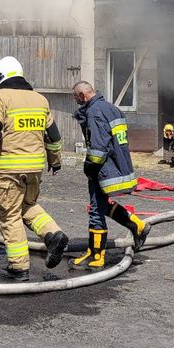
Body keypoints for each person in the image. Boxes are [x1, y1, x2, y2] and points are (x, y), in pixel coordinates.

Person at [0, 56, 69, 281]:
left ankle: (18, 268)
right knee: (28, 205)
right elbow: (53, 136)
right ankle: (53, 234)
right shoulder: (40, 99)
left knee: (8, 215)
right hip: (35, 167)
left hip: (11, 168)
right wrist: (55, 161)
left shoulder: (0, 97)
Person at [70, 81, 149, 270]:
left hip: (103, 168)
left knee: (96, 210)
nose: (77, 103)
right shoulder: (113, 109)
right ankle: (137, 226)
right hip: (118, 165)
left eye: (76, 99)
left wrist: (89, 167)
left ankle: (96, 256)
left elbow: (98, 148)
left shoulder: (94, 112)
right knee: (102, 206)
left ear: (82, 95)